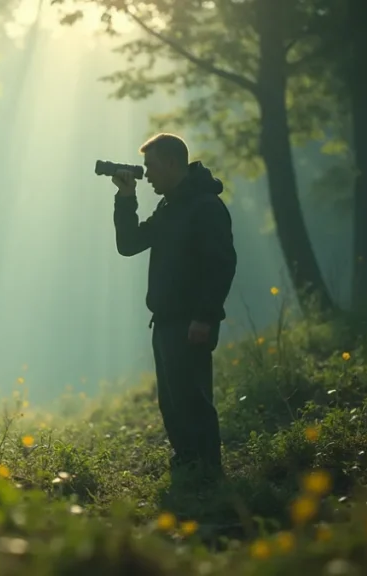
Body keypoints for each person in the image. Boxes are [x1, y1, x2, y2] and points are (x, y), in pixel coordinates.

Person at [112, 133, 237, 484]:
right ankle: (188, 465)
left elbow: (221, 264)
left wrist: (204, 317)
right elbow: (130, 244)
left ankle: (209, 473)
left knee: (193, 400)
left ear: (170, 163)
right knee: (173, 402)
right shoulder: (169, 207)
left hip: (191, 322)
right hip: (165, 320)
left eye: (150, 167)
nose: (146, 174)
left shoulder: (205, 207)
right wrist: (126, 197)